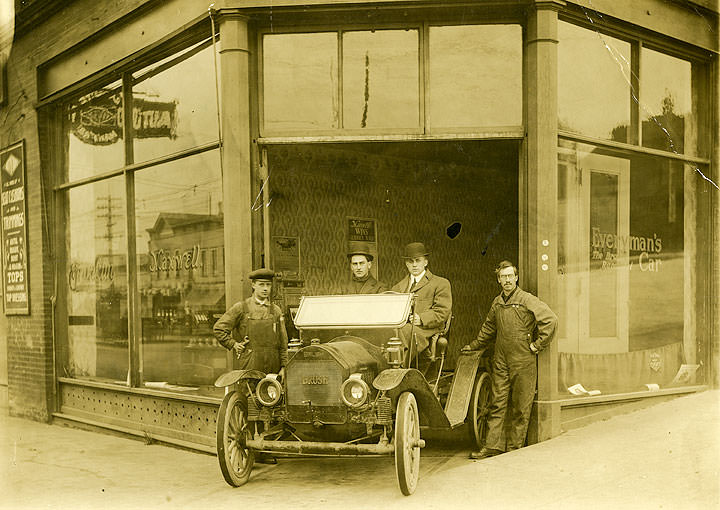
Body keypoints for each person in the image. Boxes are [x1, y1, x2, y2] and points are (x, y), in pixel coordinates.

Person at [461, 260, 557, 459]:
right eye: (503, 277)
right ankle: (492, 446)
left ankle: (514, 449)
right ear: (498, 280)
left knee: (521, 405)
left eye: (510, 276)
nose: (507, 280)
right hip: (501, 359)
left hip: (523, 359)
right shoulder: (497, 302)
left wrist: (537, 345)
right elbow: (488, 329)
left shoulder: (527, 299)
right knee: (497, 403)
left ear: (516, 277)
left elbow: (550, 320)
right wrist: (473, 346)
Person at [213, 268, 288, 376]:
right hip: (249, 364)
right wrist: (234, 344)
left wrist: (283, 367)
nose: (265, 288)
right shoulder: (241, 308)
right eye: (261, 285)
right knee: (248, 392)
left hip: (273, 366)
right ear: (253, 285)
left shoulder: (275, 310)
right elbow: (219, 329)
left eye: (268, 285)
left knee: (271, 392)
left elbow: (283, 342)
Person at [391, 242, 452, 356]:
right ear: (406, 264)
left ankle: (399, 369)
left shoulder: (440, 283)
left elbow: (442, 312)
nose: (414, 265)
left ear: (425, 262)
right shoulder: (398, 287)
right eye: (410, 261)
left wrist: (422, 318)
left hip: (427, 329)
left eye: (418, 260)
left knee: (404, 332)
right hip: (403, 329)